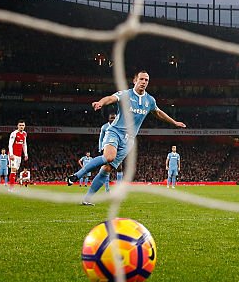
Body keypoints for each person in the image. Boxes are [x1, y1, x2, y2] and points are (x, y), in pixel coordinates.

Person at [66, 71, 186, 205]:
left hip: (129, 140)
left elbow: (158, 112)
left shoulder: (150, 100)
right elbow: (111, 98)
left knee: (107, 169)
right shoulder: (126, 94)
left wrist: (174, 122)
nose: (144, 82)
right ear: (135, 81)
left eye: (146, 80)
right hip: (115, 132)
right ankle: (77, 175)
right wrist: (100, 102)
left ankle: (87, 199)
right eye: (141, 79)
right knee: (109, 157)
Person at [7, 120, 28, 191]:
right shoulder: (14, 133)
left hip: (19, 156)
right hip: (13, 155)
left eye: (23, 125)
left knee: (15, 171)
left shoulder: (24, 134)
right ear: (17, 126)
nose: (21, 127)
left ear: (24, 126)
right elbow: (10, 144)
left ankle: (11, 185)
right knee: (13, 170)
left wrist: (25, 154)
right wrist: (11, 154)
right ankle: (11, 187)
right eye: (20, 125)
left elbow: (24, 144)